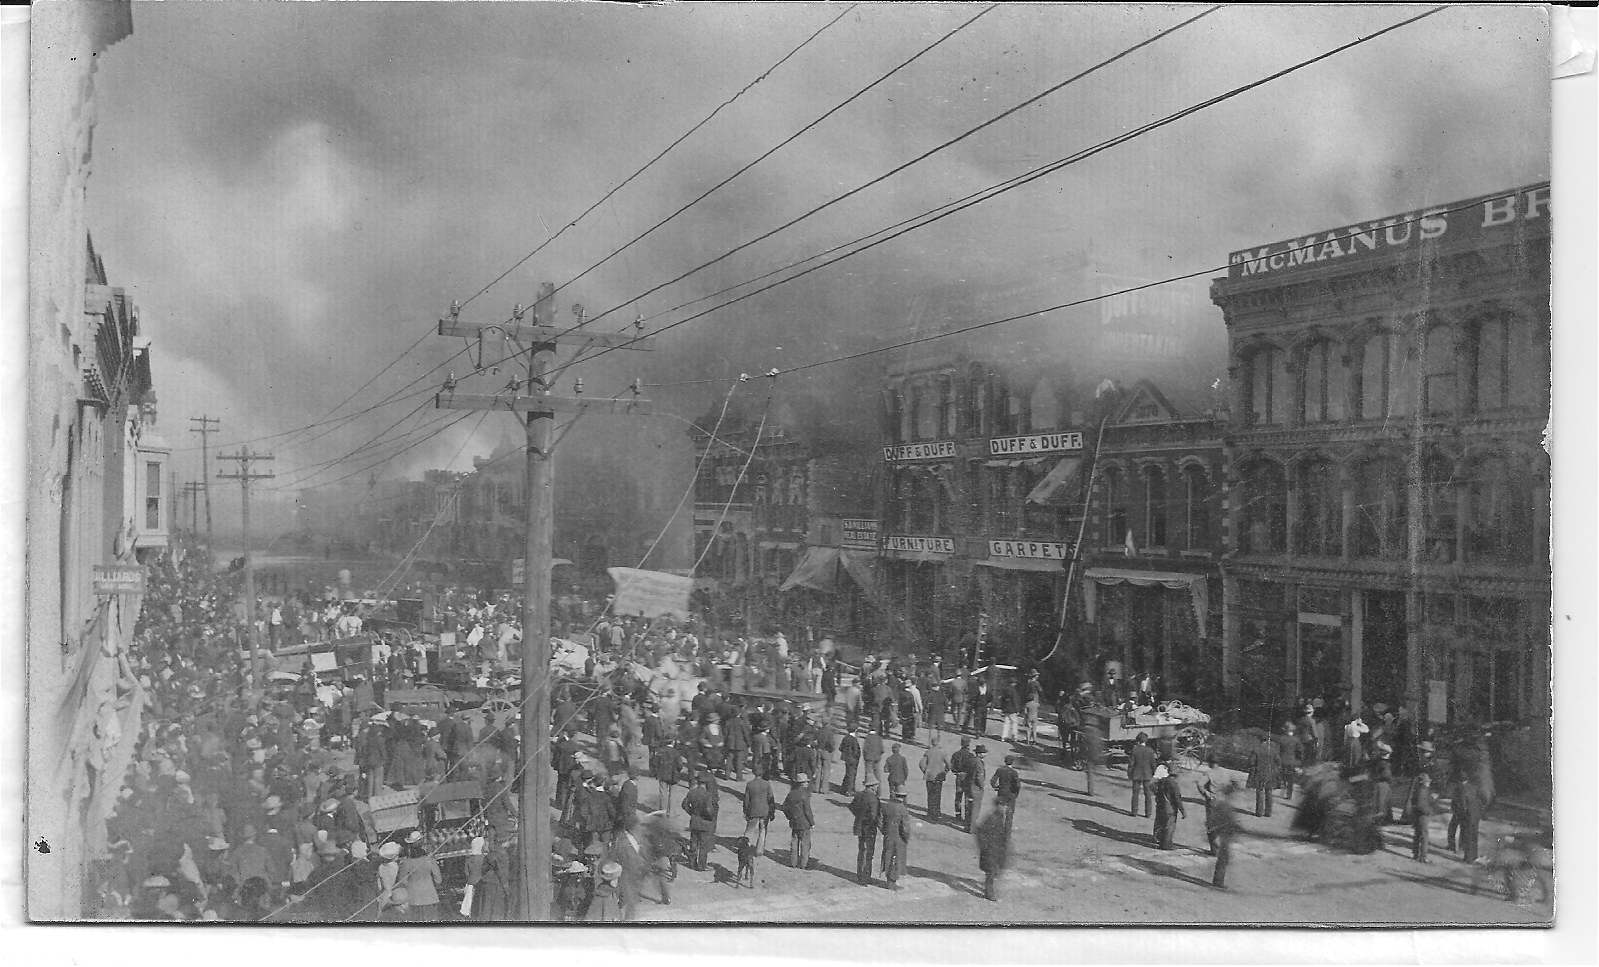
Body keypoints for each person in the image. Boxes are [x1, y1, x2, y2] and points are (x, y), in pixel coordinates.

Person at [1207, 782, 1242, 890]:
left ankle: (1218, 880)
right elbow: (1226, 821)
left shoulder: (1222, 804)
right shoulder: (1225, 805)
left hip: (1223, 834)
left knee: (1224, 858)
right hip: (1224, 835)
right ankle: (1218, 881)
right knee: (1223, 858)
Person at [681, 773, 718, 872]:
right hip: (704, 822)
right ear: (705, 784)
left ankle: (692, 863)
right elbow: (709, 809)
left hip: (694, 821)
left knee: (693, 843)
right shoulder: (707, 795)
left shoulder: (691, 792)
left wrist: (692, 813)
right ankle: (701, 866)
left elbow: (684, 804)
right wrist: (710, 817)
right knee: (703, 845)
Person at [849, 779, 882, 886]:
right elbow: (874, 816)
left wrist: (859, 817)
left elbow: (851, 807)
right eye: (876, 785)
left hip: (859, 827)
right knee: (868, 853)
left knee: (862, 851)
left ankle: (860, 875)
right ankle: (865, 877)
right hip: (869, 829)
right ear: (872, 786)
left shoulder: (859, 795)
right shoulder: (873, 799)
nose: (877, 787)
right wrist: (880, 827)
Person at [879, 789, 912, 891]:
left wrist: (884, 831)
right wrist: (906, 838)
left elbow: (880, 821)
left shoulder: (887, 806)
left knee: (888, 856)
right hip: (898, 838)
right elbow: (905, 828)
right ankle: (892, 882)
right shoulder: (903, 809)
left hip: (888, 836)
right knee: (896, 859)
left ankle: (888, 879)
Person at [782, 775, 815, 870]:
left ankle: (793, 862)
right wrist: (812, 822)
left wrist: (790, 817)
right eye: (806, 782)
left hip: (794, 822)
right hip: (804, 823)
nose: (807, 783)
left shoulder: (791, 794)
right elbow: (807, 811)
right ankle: (804, 864)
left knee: (794, 842)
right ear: (802, 784)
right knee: (805, 844)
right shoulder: (805, 795)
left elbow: (784, 807)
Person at [1405, 769, 1437, 863]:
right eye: (1427, 781)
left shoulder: (1421, 789)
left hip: (1417, 815)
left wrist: (1432, 798)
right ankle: (1423, 857)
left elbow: (1423, 801)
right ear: (1423, 782)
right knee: (1424, 836)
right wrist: (1428, 811)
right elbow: (1421, 805)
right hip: (1422, 816)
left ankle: (1415, 854)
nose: (1428, 783)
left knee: (1417, 834)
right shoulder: (1422, 790)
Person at [1152, 762, 1186, 850]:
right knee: (1169, 827)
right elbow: (1177, 799)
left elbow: (1152, 786)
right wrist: (1183, 811)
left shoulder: (1162, 781)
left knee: (1161, 825)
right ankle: (1166, 845)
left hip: (1160, 806)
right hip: (1170, 808)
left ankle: (1160, 842)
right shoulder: (1174, 784)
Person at [1247, 733, 1281, 818]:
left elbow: (1251, 762)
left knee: (1260, 791)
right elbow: (1279, 762)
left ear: (1261, 740)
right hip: (1270, 773)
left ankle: (1259, 812)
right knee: (1269, 792)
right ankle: (1268, 812)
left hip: (1259, 773)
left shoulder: (1256, 749)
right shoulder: (1273, 750)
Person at [743, 770, 775, 854]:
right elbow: (771, 799)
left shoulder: (750, 784)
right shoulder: (767, 784)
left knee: (749, 831)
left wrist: (745, 811)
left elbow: (746, 800)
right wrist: (772, 812)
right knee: (762, 831)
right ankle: (759, 850)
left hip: (753, 810)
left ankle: (746, 848)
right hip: (764, 811)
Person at [919, 736, 950, 821]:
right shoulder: (942, 752)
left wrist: (925, 771)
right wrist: (945, 772)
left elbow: (921, 764)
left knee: (930, 795)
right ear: (938, 743)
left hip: (929, 776)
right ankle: (937, 813)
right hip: (939, 777)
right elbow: (949, 764)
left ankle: (930, 812)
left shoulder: (928, 752)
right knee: (937, 795)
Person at [991, 754, 1022, 837]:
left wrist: (996, 787)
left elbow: (993, 780)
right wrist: (1016, 794)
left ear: (1005, 762)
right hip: (1010, 794)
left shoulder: (1000, 770)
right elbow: (1018, 785)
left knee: (1000, 812)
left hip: (1001, 792)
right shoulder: (1014, 772)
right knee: (1009, 814)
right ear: (1012, 762)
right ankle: (1007, 833)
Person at [1128, 732, 1156, 817]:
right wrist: (1154, 774)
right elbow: (1153, 764)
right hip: (1147, 775)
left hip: (1136, 775)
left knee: (1135, 794)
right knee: (1148, 794)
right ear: (1145, 741)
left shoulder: (1135, 750)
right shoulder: (1150, 751)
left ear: (1138, 741)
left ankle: (1134, 812)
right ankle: (1148, 813)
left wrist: (1129, 774)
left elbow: (1131, 764)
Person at [965, 745, 989, 834]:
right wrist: (983, 785)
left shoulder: (972, 760)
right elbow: (979, 776)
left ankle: (967, 825)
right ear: (979, 754)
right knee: (975, 809)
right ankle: (971, 828)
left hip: (969, 786)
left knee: (969, 807)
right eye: (984, 753)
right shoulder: (979, 763)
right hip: (976, 788)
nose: (985, 754)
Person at [950, 737, 975, 823]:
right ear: (969, 744)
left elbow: (951, 766)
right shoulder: (971, 756)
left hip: (959, 776)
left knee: (958, 797)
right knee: (967, 797)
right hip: (967, 777)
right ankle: (967, 816)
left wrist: (956, 772)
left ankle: (958, 815)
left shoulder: (956, 754)